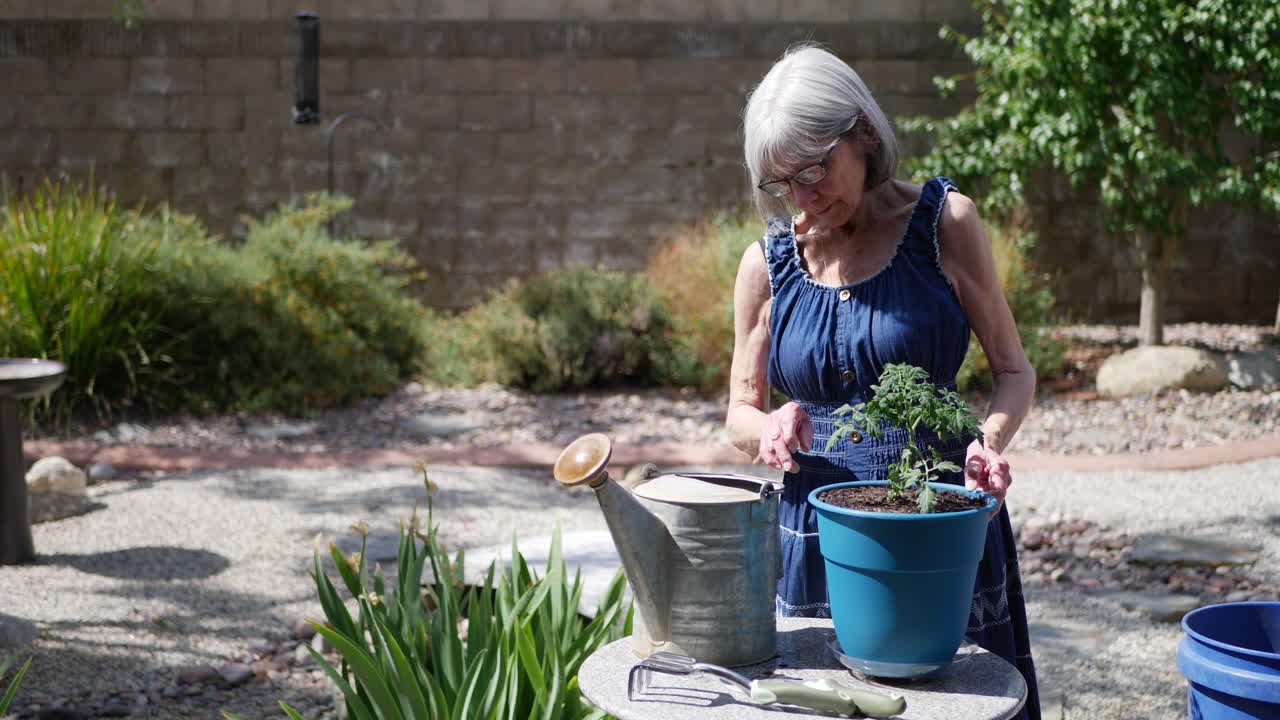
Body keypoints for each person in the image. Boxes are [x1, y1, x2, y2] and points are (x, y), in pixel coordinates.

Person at [726, 44, 1041, 719]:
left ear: (864, 134)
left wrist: (986, 443)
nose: (803, 197)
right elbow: (738, 414)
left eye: (815, 170)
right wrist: (770, 425)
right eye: (785, 183)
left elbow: (1014, 372)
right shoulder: (767, 265)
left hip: (938, 520)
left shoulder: (943, 226)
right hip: (815, 530)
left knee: (950, 705)